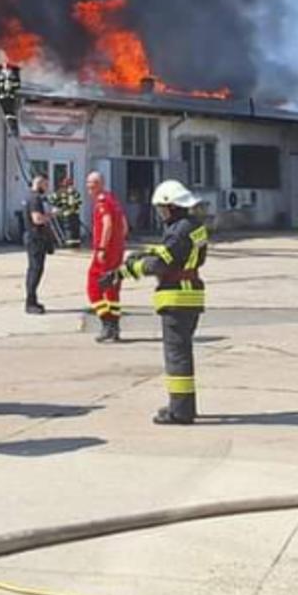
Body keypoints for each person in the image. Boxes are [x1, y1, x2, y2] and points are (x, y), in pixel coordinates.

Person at [117, 180, 209, 425]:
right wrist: (145, 254)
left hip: (176, 297)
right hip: (191, 295)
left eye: (162, 208)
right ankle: (184, 405)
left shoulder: (178, 230)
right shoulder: (194, 226)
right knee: (182, 353)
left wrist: (131, 268)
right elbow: (174, 253)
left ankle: (180, 411)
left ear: (172, 206)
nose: (160, 213)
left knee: (176, 356)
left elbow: (161, 265)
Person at [85, 170, 129, 343]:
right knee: (112, 289)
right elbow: (124, 225)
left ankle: (107, 323)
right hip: (117, 251)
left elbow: (107, 224)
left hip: (106, 253)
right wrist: (119, 244)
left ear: (100, 184)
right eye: (88, 184)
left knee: (93, 288)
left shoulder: (102, 202)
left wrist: (102, 248)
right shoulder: (113, 200)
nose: (89, 188)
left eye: (92, 184)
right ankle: (115, 327)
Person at [23, 174, 53, 314]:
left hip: (33, 238)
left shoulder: (29, 197)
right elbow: (37, 219)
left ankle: (32, 300)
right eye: (45, 185)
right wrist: (52, 215)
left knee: (34, 269)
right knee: (35, 270)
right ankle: (30, 303)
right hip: (36, 239)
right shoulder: (35, 199)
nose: (46, 188)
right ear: (39, 183)